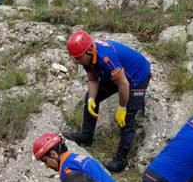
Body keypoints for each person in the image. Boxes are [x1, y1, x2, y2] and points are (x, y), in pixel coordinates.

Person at [65, 29, 151, 174]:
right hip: (119, 76)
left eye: (78, 58)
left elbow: (124, 85)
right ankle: (86, 137)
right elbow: (92, 79)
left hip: (137, 76)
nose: (76, 61)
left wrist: (122, 107)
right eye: (74, 58)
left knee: (127, 118)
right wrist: (92, 99)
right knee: (90, 97)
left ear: (89, 51)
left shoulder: (106, 59)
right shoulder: (87, 55)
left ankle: (120, 160)